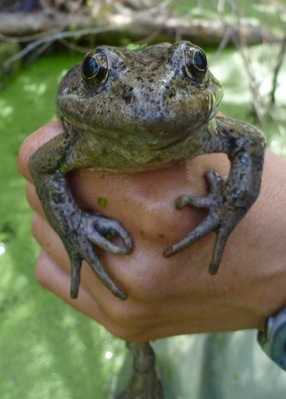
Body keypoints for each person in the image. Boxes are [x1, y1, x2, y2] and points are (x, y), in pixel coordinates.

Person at [18, 120, 286, 343]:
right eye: (96, 71)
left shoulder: (205, 127)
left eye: (194, 65)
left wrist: (231, 206)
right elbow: (43, 165)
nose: (149, 101)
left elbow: (249, 141)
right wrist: (73, 226)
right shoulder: (78, 138)